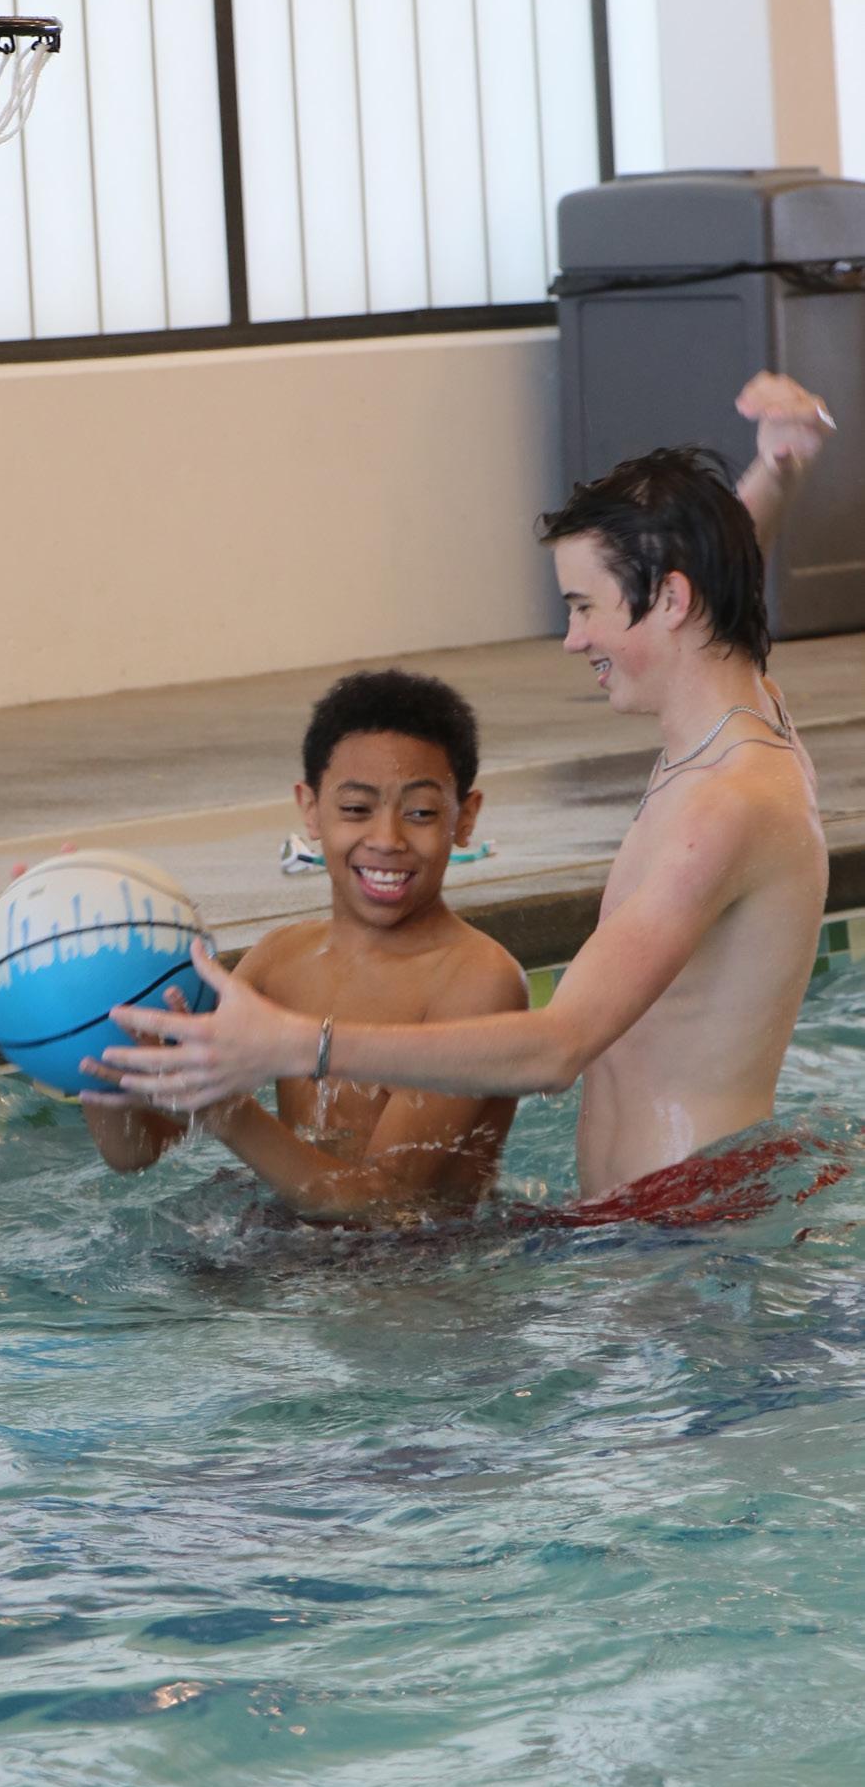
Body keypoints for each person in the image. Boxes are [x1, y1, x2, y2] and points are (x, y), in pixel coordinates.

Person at [97, 375, 837, 1218]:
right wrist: (778, 470)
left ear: (669, 600)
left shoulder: (725, 805)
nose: (573, 638)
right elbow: (717, 581)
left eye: (585, 606)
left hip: (686, 1235)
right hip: (660, 1217)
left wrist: (298, 1044)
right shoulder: (744, 723)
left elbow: (557, 1048)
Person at [81, 665, 529, 1219]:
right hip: (293, 1251)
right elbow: (136, 1151)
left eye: (420, 813)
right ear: (311, 810)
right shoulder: (280, 960)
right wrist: (93, 1036)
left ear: (465, 818)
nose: (387, 839)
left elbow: (388, 1200)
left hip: (427, 1265)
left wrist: (227, 1113)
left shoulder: (477, 981)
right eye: (356, 809)